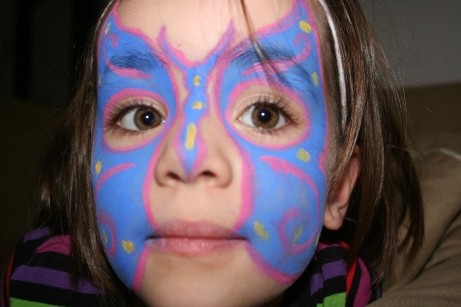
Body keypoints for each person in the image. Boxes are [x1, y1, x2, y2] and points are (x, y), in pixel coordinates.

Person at [1, 0, 424, 306]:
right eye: (142, 116)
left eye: (264, 115)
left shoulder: (341, 286)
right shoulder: (38, 285)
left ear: (338, 189)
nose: (189, 155)